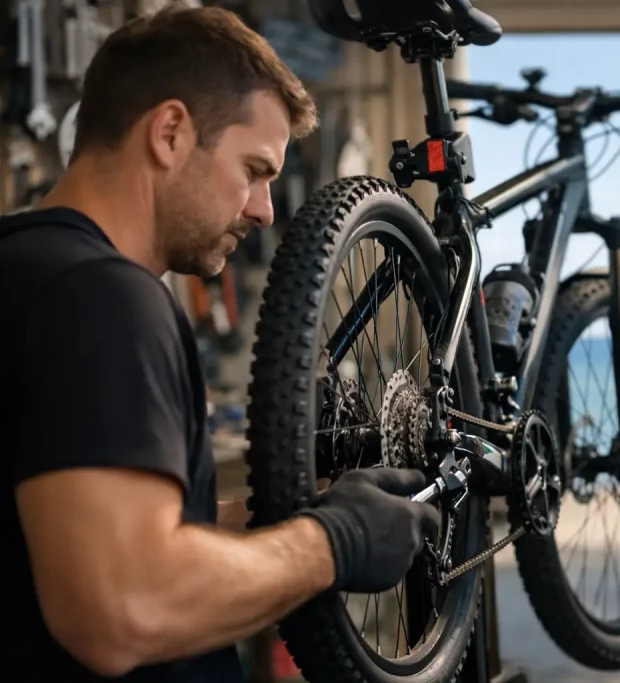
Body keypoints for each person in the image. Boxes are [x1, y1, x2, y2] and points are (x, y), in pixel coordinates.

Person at [0, 6, 441, 682]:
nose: (264, 209)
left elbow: (114, 542)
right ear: (171, 131)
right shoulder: (105, 295)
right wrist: (334, 543)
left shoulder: (30, 268)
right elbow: (123, 606)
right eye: (253, 169)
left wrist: (287, 512)